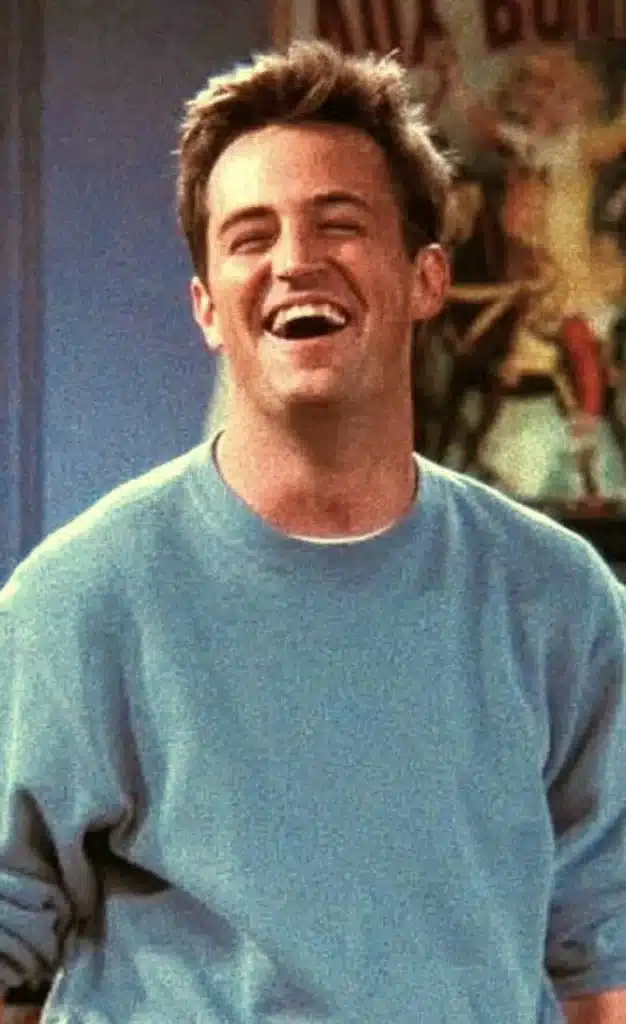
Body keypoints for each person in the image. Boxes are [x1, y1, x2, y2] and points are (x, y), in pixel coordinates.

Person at [1, 40, 625, 1024]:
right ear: (207, 307)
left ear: (425, 279)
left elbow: (599, 959)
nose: (294, 261)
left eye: (339, 224)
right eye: (250, 236)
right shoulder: (74, 604)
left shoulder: (561, 599)